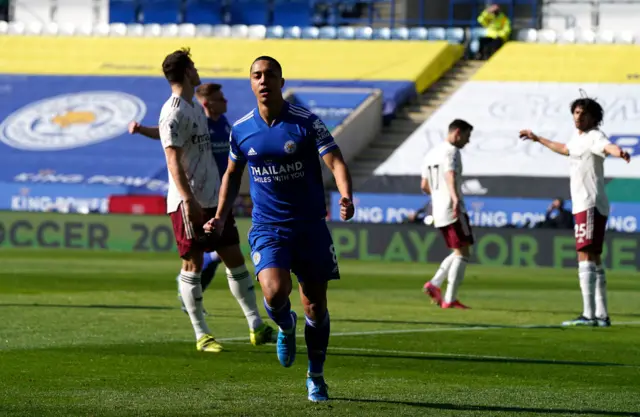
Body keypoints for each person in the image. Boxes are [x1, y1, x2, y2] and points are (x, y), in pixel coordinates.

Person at [205, 56, 355, 402]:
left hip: (310, 227)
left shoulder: (306, 123)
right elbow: (231, 174)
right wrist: (222, 214)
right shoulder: (241, 129)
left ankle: (315, 376)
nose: (263, 81)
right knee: (274, 292)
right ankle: (286, 326)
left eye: (269, 75)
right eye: (256, 75)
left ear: (281, 81)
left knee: (315, 306)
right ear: (250, 82)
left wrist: (346, 196)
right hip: (268, 226)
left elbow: (335, 161)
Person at [130, 83, 276, 346]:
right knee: (194, 264)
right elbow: (166, 134)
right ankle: (201, 334)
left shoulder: (224, 124)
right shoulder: (196, 122)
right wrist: (141, 130)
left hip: (219, 199)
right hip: (195, 199)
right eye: (221, 98)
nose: (226, 101)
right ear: (208, 103)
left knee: (234, 258)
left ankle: (256, 324)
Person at [519, 97, 631, 327]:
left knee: (584, 254)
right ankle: (601, 315)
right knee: (595, 258)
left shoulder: (594, 136)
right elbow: (564, 149)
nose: (578, 117)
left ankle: (588, 315)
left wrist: (618, 151)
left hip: (589, 203)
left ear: (592, 118)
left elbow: (607, 146)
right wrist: (538, 138)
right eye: (576, 113)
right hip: (587, 203)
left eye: (582, 113)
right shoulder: (578, 138)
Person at [420, 119, 474, 309]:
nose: (467, 141)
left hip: (438, 208)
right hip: (452, 207)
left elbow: (424, 186)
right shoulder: (452, 151)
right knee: (463, 252)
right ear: (457, 132)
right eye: (467, 136)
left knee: (458, 250)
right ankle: (450, 298)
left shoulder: (431, 153)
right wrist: (454, 197)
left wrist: (439, 195)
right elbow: (450, 174)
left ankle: (435, 284)